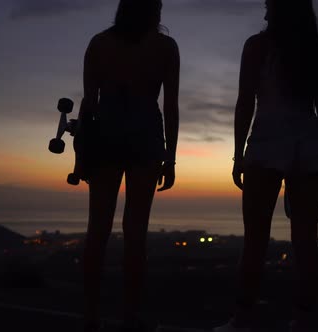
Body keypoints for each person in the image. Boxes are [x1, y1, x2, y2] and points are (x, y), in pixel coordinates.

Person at [216, 0, 318, 331]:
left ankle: (242, 319)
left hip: (266, 143)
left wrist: (238, 154)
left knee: (255, 238)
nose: (264, 9)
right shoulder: (317, 51)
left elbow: (245, 102)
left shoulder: (258, 46)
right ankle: (305, 320)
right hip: (308, 146)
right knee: (306, 240)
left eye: (269, 3)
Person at [78, 0, 180, 331]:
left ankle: (91, 315)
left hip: (104, 136)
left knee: (98, 229)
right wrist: (170, 156)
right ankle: (130, 316)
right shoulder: (165, 47)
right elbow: (171, 105)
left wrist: (82, 157)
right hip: (146, 138)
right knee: (136, 232)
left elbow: (88, 105)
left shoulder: (99, 43)